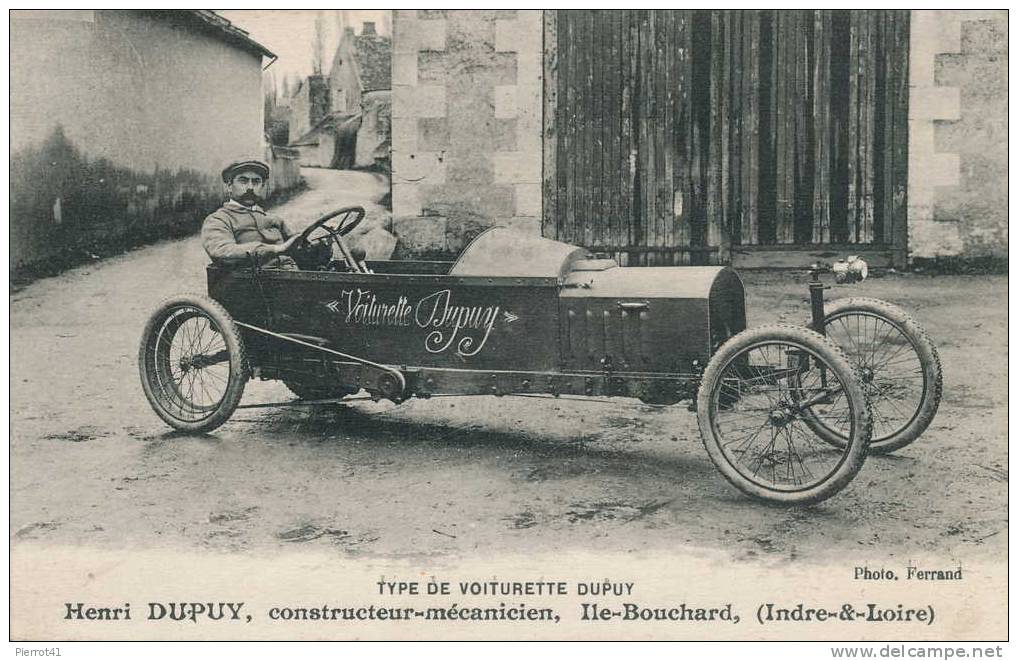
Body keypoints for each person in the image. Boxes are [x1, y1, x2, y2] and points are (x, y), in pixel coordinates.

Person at [201, 158, 303, 269]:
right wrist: (275, 249)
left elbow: (296, 244)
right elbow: (222, 251)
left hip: (292, 275)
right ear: (229, 186)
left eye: (256, 182)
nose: (250, 187)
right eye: (243, 181)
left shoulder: (273, 219)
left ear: (262, 186)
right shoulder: (218, 220)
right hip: (255, 282)